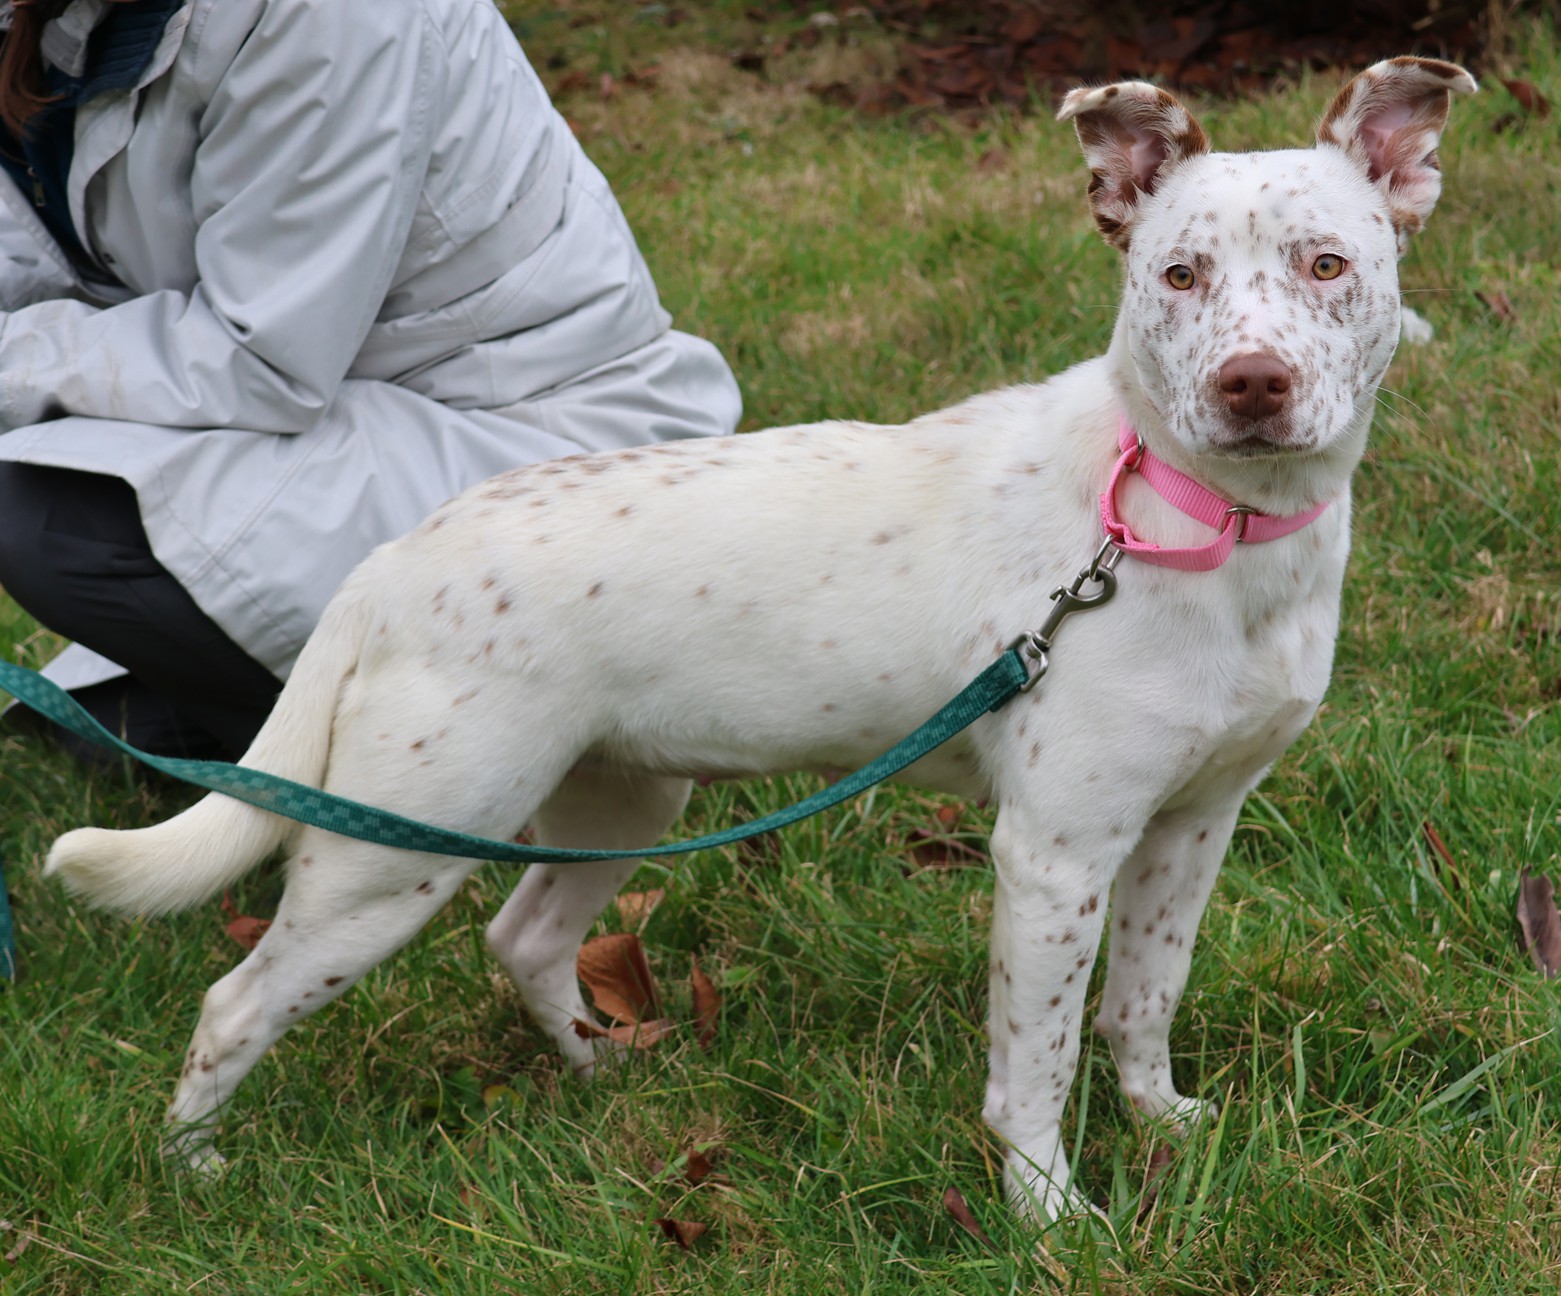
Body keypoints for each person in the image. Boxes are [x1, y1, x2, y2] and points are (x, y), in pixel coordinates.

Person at [0, 0, 741, 759]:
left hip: (542, 451)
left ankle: (448, 760)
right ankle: (322, 727)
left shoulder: (331, 15)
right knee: (112, 725)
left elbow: (259, 357)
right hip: (343, 405)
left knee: (52, 515)